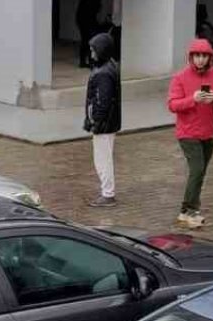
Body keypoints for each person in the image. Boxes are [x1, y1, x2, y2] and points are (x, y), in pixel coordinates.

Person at [167, 38, 213, 229]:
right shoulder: (180, 77)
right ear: (191, 57)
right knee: (196, 170)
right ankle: (188, 210)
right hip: (187, 133)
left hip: (207, 133)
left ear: (210, 57)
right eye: (197, 56)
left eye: (204, 56)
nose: (201, 59)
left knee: (200, 172)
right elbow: (172, 104)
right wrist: (193, 99)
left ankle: (189, 210)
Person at [85, 33, 122, 208]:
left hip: (104, 125)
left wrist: (96, 121)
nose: (92, 53)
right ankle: (107, 192)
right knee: (104, 157)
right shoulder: (110, 66)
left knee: (102, 159)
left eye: (94, 50)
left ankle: (108, 194)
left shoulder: (103, 73)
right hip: (109, 123)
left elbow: (102, 102)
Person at [76, 0, 102, 68]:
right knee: (88, 41)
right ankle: (90, 61)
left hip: (84, 20)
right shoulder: (89, 3)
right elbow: (95, 9)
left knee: (86, 41)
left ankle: (85, 61)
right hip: (86, 20)